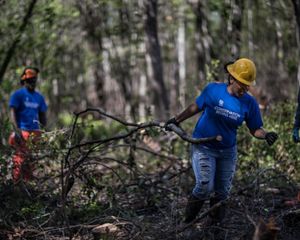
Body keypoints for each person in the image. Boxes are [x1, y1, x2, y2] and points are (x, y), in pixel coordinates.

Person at [165, 58, 278, 224]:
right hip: (203, 147)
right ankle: (187, 223)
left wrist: (266, 134)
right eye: (242, 83)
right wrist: (176, 119)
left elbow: (255, 129)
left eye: (248, 84)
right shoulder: (213, 90)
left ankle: (214, 227)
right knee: (204, 186)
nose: (246, 88)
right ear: (232, 79)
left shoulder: (250, 103)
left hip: (227, 152)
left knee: (222, 193)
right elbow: (195, 106)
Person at [8, 67, 47, 183]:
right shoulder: (18, 95)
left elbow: (43, 115)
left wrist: (44, 131)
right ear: (24, 81)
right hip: (22, 130)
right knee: (20, 159)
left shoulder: (39, 97)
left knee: (32, 160)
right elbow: (13, 112)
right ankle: (16, 184)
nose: (32, 83)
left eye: (34, 80)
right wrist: (16, 130)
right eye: (30, 80)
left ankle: (29, 185)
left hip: (35, 132)